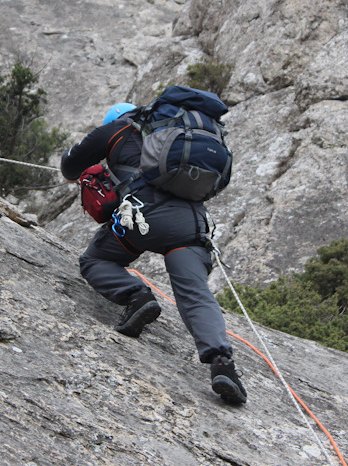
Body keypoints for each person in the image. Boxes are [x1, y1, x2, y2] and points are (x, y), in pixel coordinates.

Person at [61, 101, 247, 405]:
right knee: (195, 293)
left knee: (97, 260)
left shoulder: (116, 130)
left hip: (139, 219)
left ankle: (136, 296)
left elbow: (70, 167)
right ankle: (223, 365)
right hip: (189, 226)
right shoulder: (180, 136)